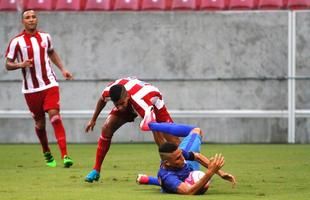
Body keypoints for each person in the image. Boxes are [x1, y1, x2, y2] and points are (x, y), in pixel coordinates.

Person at [5, 10, 73, 168]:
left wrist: (63, 69)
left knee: (55, 117)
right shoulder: (17, 42)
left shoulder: (45, 37)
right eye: (27, 17)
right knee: (40, 124)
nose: (31, 20)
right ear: (23, 22)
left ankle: (65, 156)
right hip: (31, 90)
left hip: (49, 84)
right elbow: (8, 64)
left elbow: (51, 52)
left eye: (33, 17)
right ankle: (47, 151)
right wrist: (20, 64)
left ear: (37, 19)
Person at [84, 77, 180, 182]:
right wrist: (93, 120)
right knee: (107, 127)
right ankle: (96, 170)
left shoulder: (141, 103)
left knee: (173, 140)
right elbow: (102, 100)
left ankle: (183, 168)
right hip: (131, 102)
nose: (119, 108)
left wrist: (164, 156)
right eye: (117, 105)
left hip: (153, 102)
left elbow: (155, 129)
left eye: (121, 103)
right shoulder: (109, 92)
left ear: (128, 96)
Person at [137, 123, 236, 195]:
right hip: (175, 180)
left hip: (188, 169)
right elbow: (189, 191)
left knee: (196, 130)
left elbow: (197, 156)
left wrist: (220, 173)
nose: (182, 159)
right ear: (167, 163)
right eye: (177, 159)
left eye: (181, 155)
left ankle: (152, 125)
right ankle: (151, 180)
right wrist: (210, 172)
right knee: (169, 183)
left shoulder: (179, 154)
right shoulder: (168, 177)